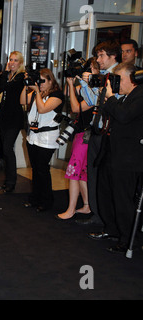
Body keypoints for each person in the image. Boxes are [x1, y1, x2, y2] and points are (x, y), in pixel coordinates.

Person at [88, 62, 143, 254]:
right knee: (107, 193)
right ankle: (112, 229)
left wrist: (111, 98)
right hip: (113, 153)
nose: (115, 82)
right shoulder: (127, 96)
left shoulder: (140, 95)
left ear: (131, 78)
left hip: (129, 159)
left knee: (123, 199)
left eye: (118, 78)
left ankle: (128, 240)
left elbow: (124, 116)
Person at [76, 40, 121, 225]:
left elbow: (114, 101)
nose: (98, 59)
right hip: (96, 129)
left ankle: (107, 218)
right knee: (93, 173)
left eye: (102, 55)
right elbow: (93, 100)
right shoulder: (102, 75)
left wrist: (94, 85)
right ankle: (97, 213)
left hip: (111, 132)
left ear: (113, 56)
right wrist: (87, 84)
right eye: (98, 55)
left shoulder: (120, 75)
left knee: (105, 178)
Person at [55, 58, 99, 220]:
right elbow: (67, 93)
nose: (87, 72)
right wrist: (70, 81)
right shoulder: (88, 87)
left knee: (73, 172)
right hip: (81, 132)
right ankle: (86, 205)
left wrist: (76, 87)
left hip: (87, 134)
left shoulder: (96, 92)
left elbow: (75, 107)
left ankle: (71, 209)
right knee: (80, 173)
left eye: (91, 69)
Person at [20, 68, 64, 212]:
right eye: (38, 81)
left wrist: (37, 92)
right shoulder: (36, 93)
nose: (40, 84)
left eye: (43, 81)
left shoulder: (57, 95)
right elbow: (22, 101)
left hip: (47, 137)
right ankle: (35, 198)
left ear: (51, 81)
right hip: (33, 136)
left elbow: (43, 109)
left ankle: (46, 201)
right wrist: (27, 86)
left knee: (42, 170)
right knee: (35, 169)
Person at [0, 51, 26, 193]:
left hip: (14, 118)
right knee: (5, 150)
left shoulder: (21, 77)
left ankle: (11, 182)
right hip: (3, 116)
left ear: (20, 63)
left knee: (8, 149)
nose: (12, 62)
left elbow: (8, 88)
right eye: (10, 60)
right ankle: (8, 181)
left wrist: (5, 75)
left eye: (15, 60)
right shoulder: (8, 76)